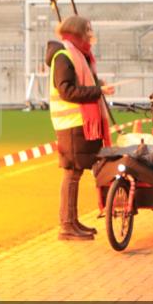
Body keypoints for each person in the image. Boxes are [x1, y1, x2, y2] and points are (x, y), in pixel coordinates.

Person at [45, 15, 115, 241]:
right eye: (87, 30)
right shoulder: (64, 56)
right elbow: (67, 91)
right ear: (77, 31)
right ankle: (66, 224)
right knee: (71, 173)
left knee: (74, 173)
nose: (90, 34)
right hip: (71, 124)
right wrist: (97, 92)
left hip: (76, 123)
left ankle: (72, 221)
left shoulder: (75, 55)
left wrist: (98, 86)